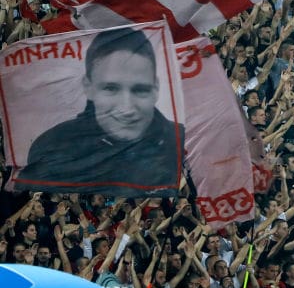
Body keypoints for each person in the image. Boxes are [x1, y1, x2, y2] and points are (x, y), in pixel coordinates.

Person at [17, 28, 184, 195]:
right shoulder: (52, 146)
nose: (126, 108)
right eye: (111, 88)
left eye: (140, 90)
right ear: (88, 87)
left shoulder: (183, 142)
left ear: (156, 88)